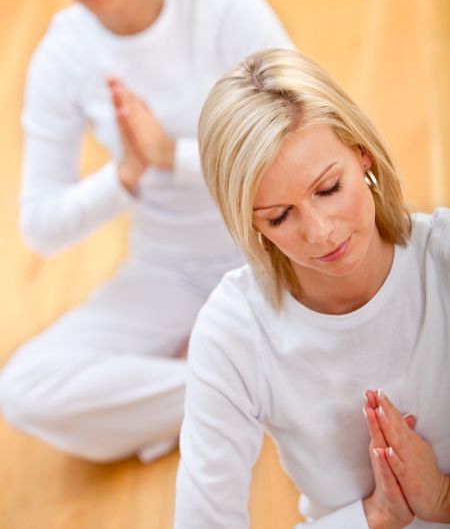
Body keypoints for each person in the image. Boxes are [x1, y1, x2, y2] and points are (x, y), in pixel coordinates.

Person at [0, 0, 293, 463]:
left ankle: (207, 386)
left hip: (271, 250)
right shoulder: (63, 56)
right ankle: (252, 387)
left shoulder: (220, 7)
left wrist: (172, 156)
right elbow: (41, 227)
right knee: (25, 389)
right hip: (168, 270)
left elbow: (298, 141)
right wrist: (126, 176)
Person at [175, 48, 450, 528]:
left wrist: (442, 498)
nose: (321, 233)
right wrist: (374, 516)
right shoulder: (235, 330)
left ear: (361, 152)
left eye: (329, 189)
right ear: (252, 225)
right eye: (279, 217)